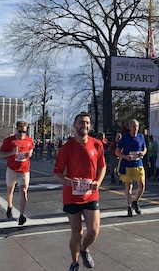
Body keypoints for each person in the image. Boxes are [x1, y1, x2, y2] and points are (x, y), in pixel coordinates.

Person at [53, 112, 106, 271]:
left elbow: (102, 166)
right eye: (82, 123)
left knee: (94, 230)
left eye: (88, 123)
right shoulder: (66, 148)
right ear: (75, 125)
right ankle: (74, 263)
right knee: (77, 231)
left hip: (91, 195)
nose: (85, 125)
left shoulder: (97, 144)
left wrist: (98, 181)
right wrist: (69, 182)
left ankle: (83, 249)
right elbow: (57, 173)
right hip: (72, 196)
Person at [0, 120, 34, 225]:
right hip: (12, 169)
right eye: (20, 131)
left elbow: (31, 149)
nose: (22, 134)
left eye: (24, 132)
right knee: (10, 189)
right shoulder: (9, 141)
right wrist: (11, 153)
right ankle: (9, 206)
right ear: (16, 129)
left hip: (24, 170)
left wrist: (29, 153)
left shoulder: (29, 140)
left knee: (23, 191)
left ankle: (22, 215)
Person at [115, 119, 147, 217]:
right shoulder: (125, 138)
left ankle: (136, 201)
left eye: (137, 126)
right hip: (127, 165)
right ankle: (129, 207)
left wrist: (143, 153)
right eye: (133, 126)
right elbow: (117, 151)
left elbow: (144, 148)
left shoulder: (141, 137)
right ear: (129, 128)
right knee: (128, 187)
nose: (135, 128)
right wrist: (125, 157)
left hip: (138, 164)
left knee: (141, 185)